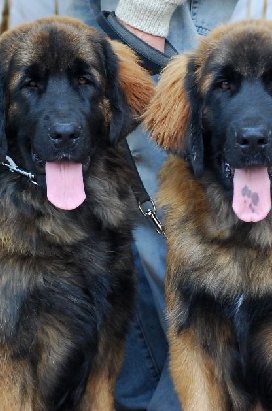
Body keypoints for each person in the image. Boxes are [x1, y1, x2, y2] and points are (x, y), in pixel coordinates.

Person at [69, 1, 239, 409]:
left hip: (147, 10)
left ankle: (206, 394)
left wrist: (148, 8)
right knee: (121, 215)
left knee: (176, 218)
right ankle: (149, 398)